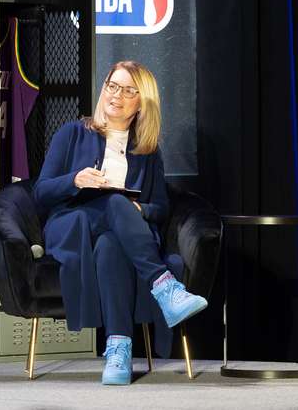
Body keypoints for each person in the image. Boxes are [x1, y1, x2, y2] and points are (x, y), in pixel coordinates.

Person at [33, 60, 207, 385]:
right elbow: (40, 193)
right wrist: (76, 179)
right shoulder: (72, 133)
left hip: (118, 234)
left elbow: (161, 208)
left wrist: (139, 211)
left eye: (129, 90)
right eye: (113, 86)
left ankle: (118, 350)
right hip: (73, 226)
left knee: (112, 244)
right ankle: (165, 287)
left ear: (141, 102)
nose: (117, 95)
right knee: (114, 203)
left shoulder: (147, 151)